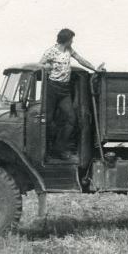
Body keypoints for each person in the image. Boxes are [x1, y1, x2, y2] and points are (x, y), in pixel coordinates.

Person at [40, 28, 105, 159]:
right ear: (66, 40)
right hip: (52, 88)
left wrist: (94, 69)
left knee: (72, 119)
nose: (72, 41)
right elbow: (40, 65)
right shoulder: (51, 52)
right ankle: (45, 152)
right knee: (48, 121)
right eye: (71, 39)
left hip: (65, 90)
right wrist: (48, 67)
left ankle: (59, 148)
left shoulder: (69, 50)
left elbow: (81, 60)